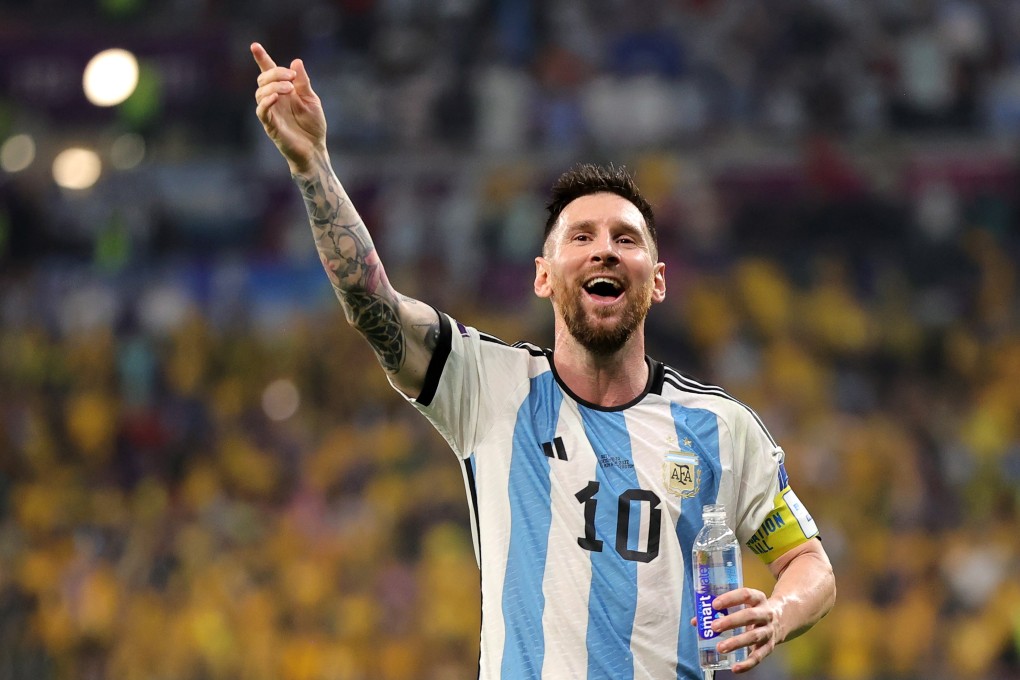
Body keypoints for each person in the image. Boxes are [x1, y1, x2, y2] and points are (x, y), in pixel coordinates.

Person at [250, 42, 836, 679]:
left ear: (658, 280)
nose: (604, 251)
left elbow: (808, 563)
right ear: (544, 277)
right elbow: (373, 304)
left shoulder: (721, 428)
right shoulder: (488, 384)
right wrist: (313, 166)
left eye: (626, 239)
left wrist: (779, 613)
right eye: (581, 237)